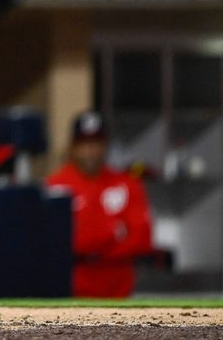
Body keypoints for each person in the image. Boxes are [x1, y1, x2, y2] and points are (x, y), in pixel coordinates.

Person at [47, 111, 153, 298]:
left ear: (106, 145)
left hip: (117, 288)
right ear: (73, 146)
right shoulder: (55, 184)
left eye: (97, 143)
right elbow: (48, 242)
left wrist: (102, 253)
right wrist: (107, 240)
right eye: (84, 143)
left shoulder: (127, 183)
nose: (91, 151)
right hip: (72, 287)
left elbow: (142, 238)